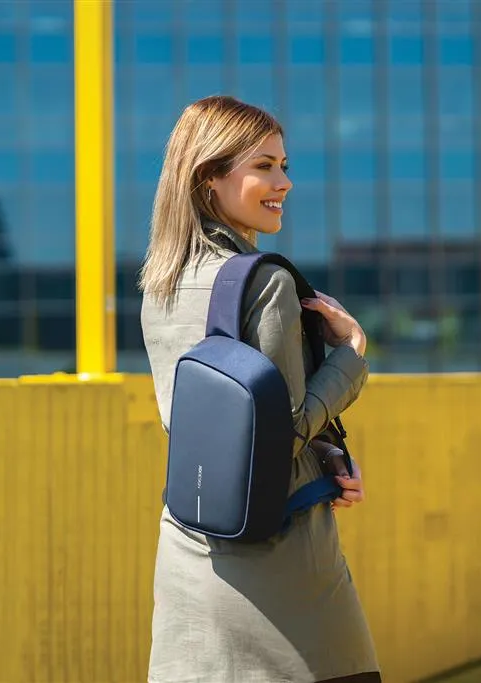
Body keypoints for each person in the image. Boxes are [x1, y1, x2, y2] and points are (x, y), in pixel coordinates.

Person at [139, 95, 381, 683]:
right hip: (280, 560)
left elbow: (219, 423)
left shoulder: (162, 281)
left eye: (284, 166)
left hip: (190, 548)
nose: (284, 183)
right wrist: (351, 356)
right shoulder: (267, 283)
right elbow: (279, 436)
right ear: (210, 178)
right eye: (264, 166)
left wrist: (325, 452)